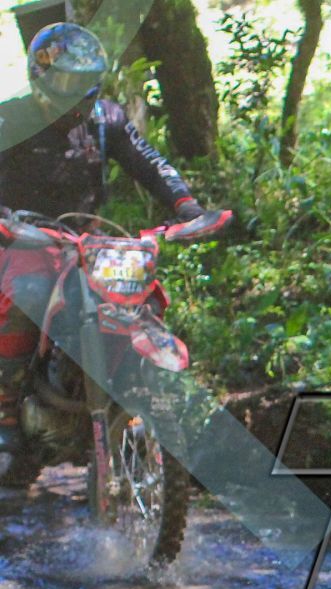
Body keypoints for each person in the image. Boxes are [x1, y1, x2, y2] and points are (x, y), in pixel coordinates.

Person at [0, 22, 208, 469]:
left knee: (138, 295)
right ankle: (6, 411)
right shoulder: (9, 120)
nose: (75, 93)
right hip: (18, 240)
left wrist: (186, 205)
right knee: (28, 295)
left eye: (84, 82)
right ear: (42, 78)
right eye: (66, 81)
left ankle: (132, 389)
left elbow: (147, 161)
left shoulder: (106, 119)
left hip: (86, 241)